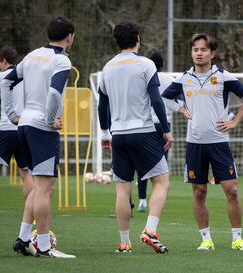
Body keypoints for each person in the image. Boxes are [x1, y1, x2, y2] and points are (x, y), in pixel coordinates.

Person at [162, 33, 243, 251]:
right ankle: (206, 239)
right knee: (199, 192)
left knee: (231, 190)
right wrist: (180, 109)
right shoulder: (184, 78)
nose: (199, 53)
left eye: (203, 50)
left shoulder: (223, 76)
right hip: (194, 144)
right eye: (195, 50)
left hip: (220, 142)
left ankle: (237, 239)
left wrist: (235, 122)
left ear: (212, 53)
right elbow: (165, 98)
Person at [1, 16, 76, 258]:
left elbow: (7, 82)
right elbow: (54, 93)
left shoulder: (32, 55)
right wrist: (51, 117)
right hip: (42, 128)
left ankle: (24, 238)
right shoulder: (61, 60)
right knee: (45, 189)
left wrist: (12, 114)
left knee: (36, 187)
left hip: (23, 124)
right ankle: (44, 247)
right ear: (70, 36)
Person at [98, 22, 173, 254]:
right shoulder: (146, 64)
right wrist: (166, 128)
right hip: (142, 131)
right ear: (138, 38)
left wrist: (104, 133)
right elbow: (156, 100)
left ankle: (124, 243)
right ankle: (150, 230)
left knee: (122, 189)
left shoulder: (107, 67)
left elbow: (102, 105)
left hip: (118, 134)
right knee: (162, 181)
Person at [133, 52, 186, 213]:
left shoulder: (145, 77)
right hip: (164, 125)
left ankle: (142, 200)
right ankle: (160, 198)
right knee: (162, 165)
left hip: (146, 124)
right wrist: (177, 108)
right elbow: (182, 98)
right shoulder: (171, 79)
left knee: (142, 164)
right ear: (163, 63)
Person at [0, 47, 35, 255]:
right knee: (26, 172)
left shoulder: (2, 76)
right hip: (24, 128)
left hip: (6, 127)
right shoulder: (25, 78)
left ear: (3, 61)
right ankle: (33, 211)